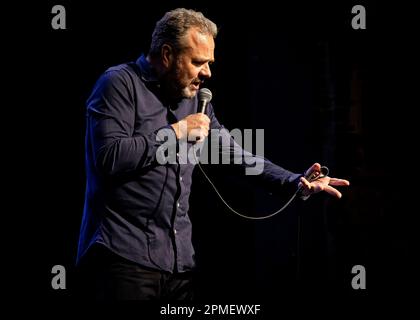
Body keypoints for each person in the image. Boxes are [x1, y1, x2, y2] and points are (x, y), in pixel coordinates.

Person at [76, 8, 350, 300]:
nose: (207, 72)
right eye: (198, 62)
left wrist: (295, 181)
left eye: (208, 62)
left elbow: (237, 156)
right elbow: (109, 156)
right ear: (167, 55)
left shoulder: (193, 100)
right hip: (121, 260)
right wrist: (177, 131)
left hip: (178, 265)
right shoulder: (118, 84)